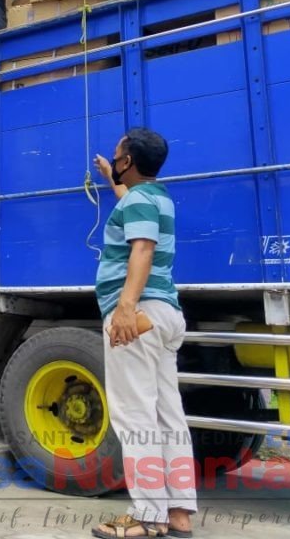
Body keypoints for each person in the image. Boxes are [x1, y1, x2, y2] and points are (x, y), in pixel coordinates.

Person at [91, 128, 196, 539]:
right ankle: (179, 513)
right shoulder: (156, 196)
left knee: (135, 415)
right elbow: (130, 205)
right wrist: (110, 181)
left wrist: (125, 307)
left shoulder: (138, 200)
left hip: (140, 317)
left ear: (128, 161)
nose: (114, 159)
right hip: (166, 315)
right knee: (168, 415)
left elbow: (143, 249)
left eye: (117, 156)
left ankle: (148, 517)